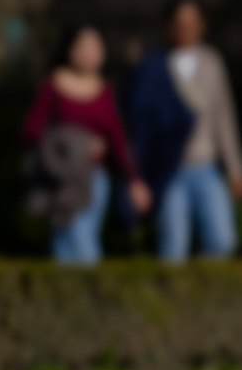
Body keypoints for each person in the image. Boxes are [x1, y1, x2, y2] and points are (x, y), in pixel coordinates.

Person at [126, 0, 242, 263]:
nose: (185, 28)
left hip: (206, 165)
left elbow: (224, 117)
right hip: (170, 168)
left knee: (222, 239)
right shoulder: (155, 64)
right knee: (173, 246)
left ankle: (205, 288)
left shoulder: (212, 62)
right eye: (179, 23)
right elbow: (142, 121)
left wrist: (235, 167)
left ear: (202, 25)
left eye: (191, 22)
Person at [23, 25, 150, 264]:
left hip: (96, 178)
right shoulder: (54, 85)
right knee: (73, 240)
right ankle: (90, 286)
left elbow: (117, 138)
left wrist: (133, 179)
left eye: (95, 47)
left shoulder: (105, 90)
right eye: (83, 47)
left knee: (78, 236)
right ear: (70, 50)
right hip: (63, 177)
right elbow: (32, 131)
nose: (89, 53)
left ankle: (74, 287)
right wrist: (76, 145)